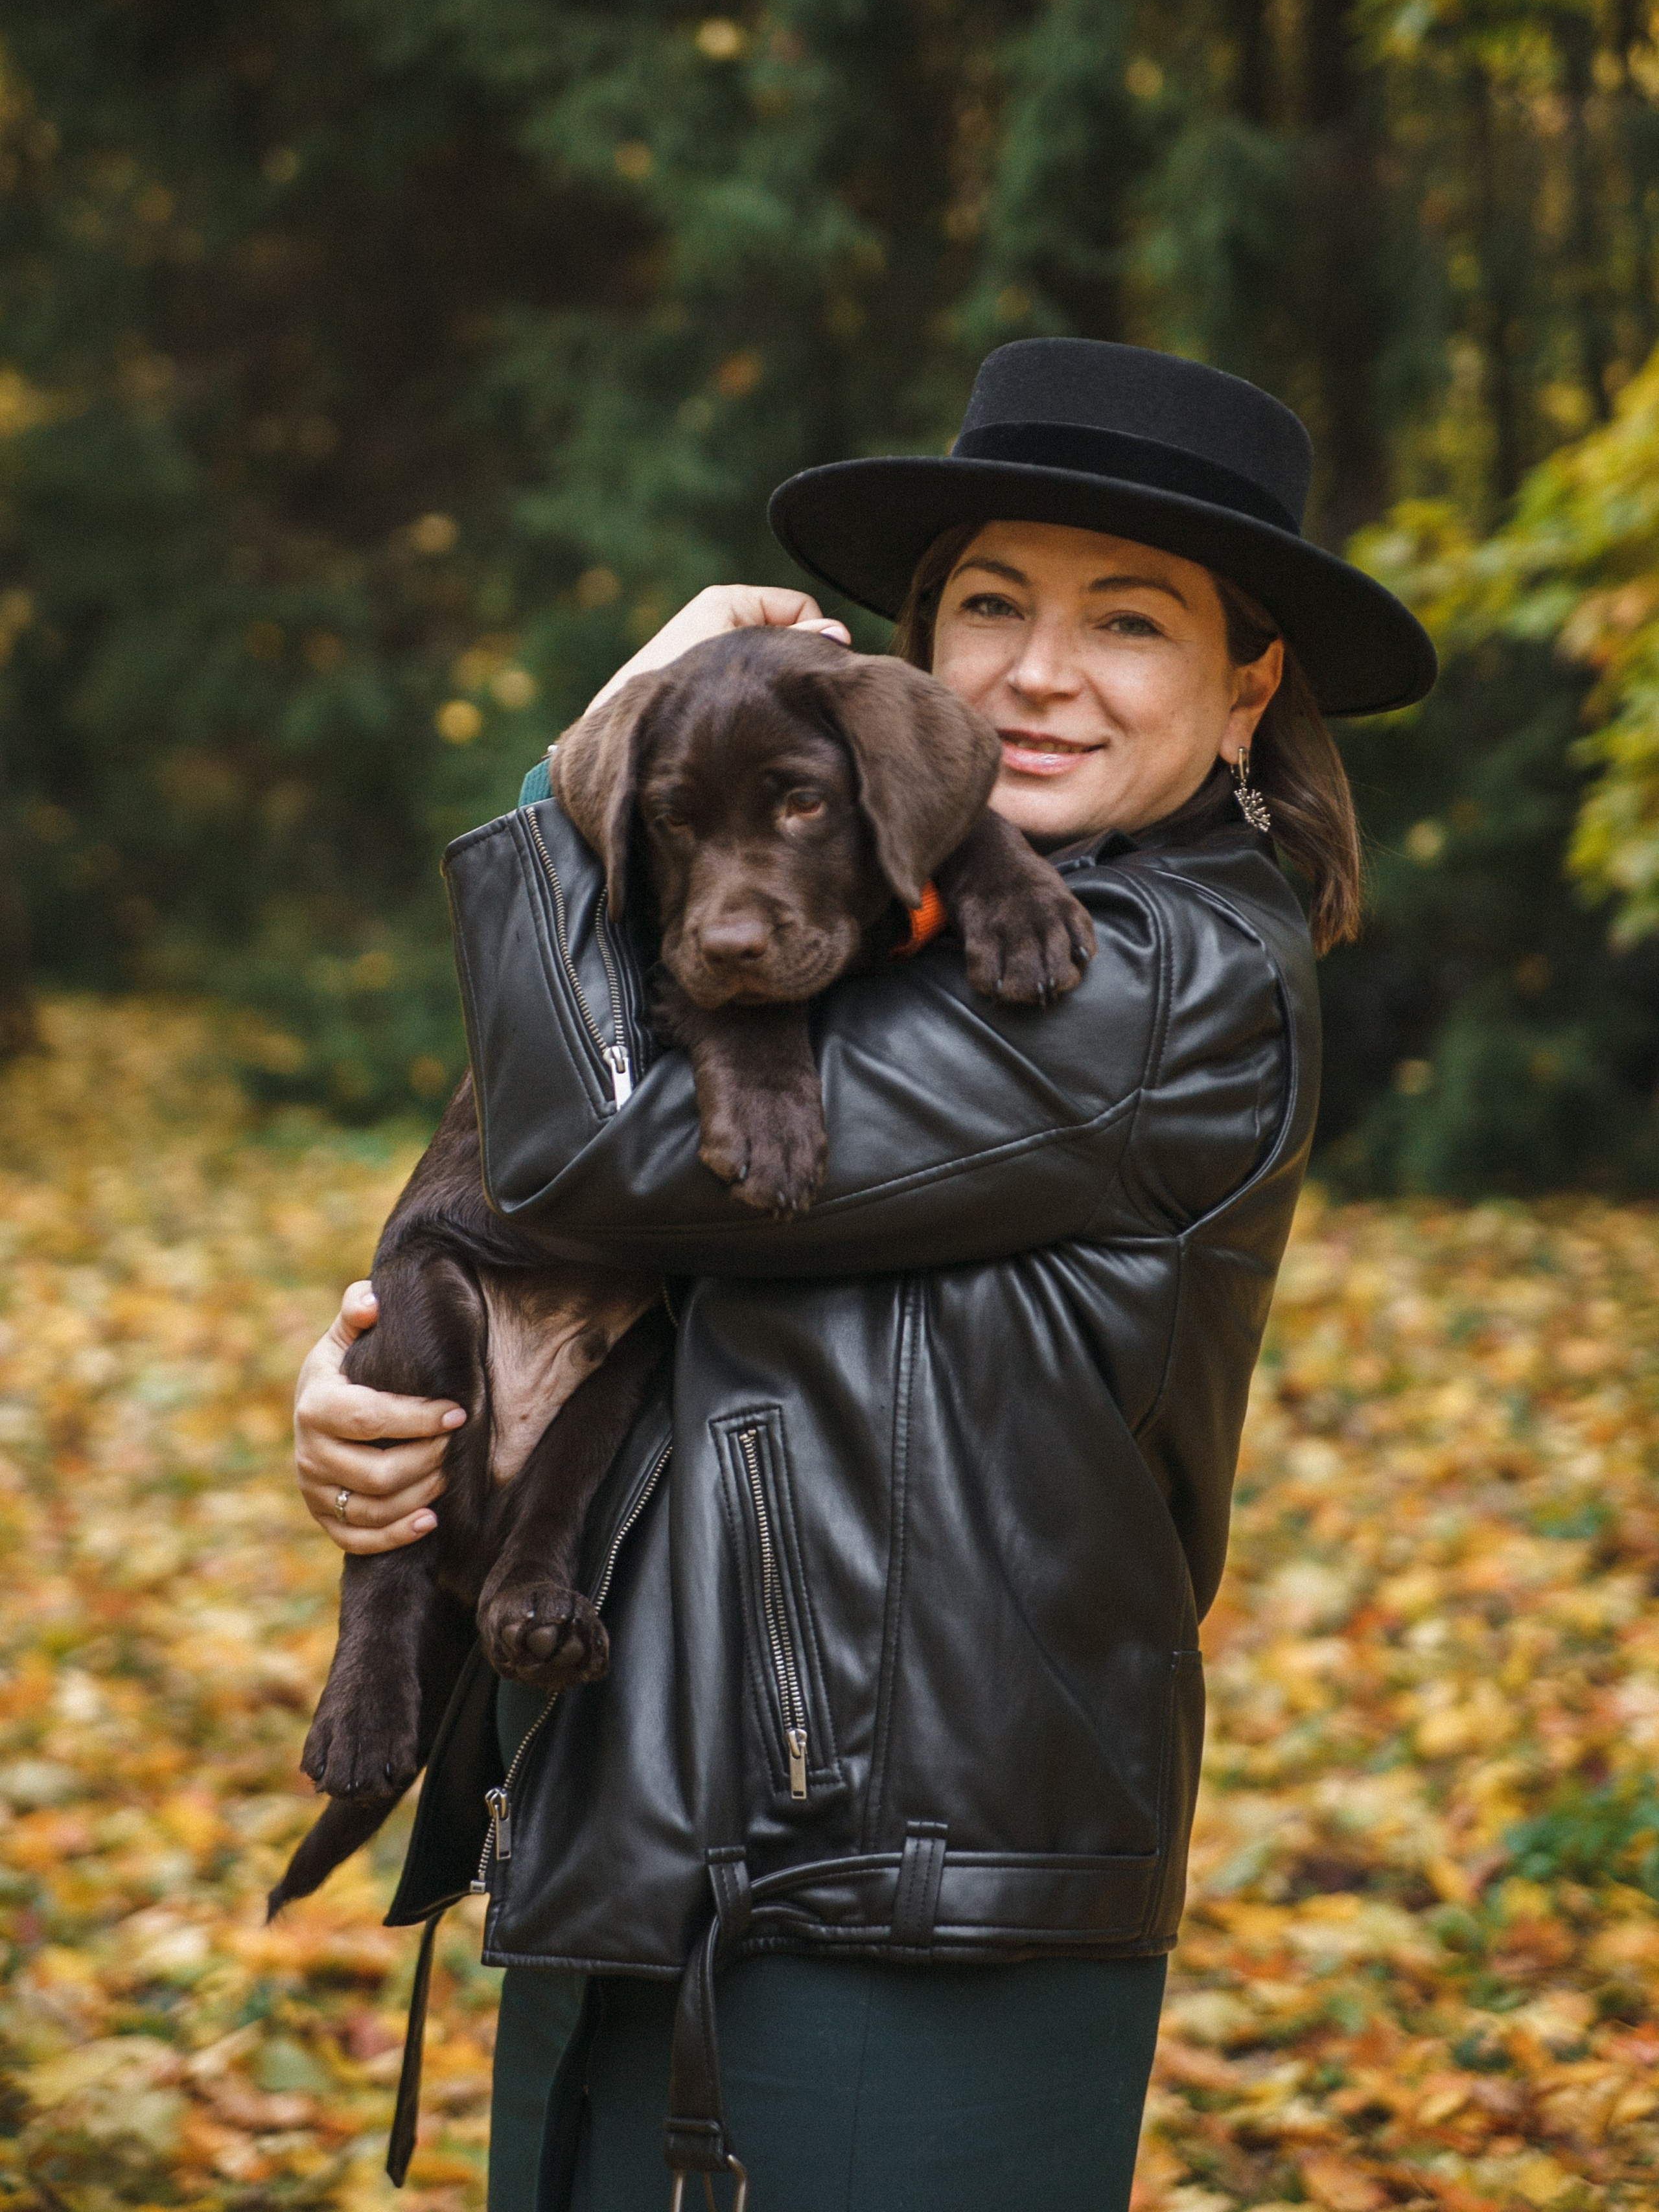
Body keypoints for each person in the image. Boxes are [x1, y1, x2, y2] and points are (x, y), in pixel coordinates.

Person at [292, 341, 1435, 2212]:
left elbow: (591, 1140)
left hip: (894, 1920)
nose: (1045, 672)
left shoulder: (1154, 982)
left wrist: (593, 744)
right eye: (993, 604)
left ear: (1247, 692)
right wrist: (378, 1394)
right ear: (904, 667)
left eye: (1131, 623)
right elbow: (579, 1227)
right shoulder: (871, 940)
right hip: (651, 1845)